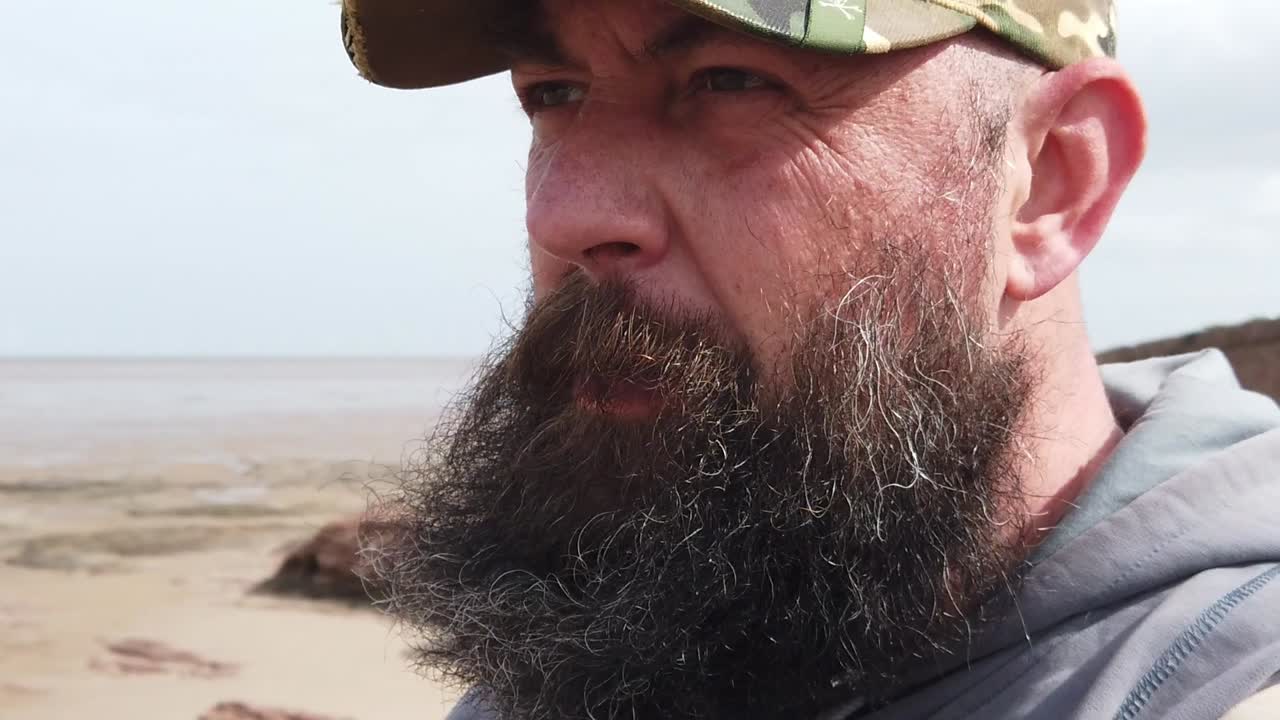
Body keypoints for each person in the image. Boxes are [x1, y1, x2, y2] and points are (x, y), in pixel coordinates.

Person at [339, 1, 1280, 718]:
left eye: (730, 82)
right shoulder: (599, 646)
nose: (565, 217)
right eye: (554, 94)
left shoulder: (1229, 681)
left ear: (1051, 186)